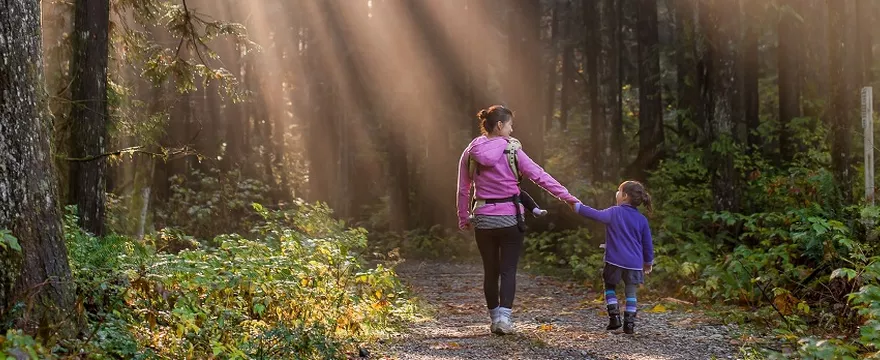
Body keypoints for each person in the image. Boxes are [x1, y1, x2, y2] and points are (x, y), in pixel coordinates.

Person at [456, 104, 579, 335]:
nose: (511, 130)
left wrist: (464, 217)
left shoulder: (471, 151)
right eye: (510, 125)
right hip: (510, 219)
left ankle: (494, 319)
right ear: (499, 125)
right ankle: (504, 319)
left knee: (490, 270)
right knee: (508, 270)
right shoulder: (512, 150)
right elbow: (540, 176)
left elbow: (464, 189)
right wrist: (568, 197)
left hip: (483, 219)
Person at [570, 180, 655, 334]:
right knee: (631, 292)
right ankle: (629, 324)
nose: (617, 193)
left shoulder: (614, 212)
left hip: (614, 260)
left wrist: (577, 207)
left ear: (625, 196)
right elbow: (647, 244)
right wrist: (648, 262)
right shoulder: (642, 219)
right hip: (634, 263)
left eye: (619, 191)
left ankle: (614, 317)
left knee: (609, 286)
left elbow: (595, 215)